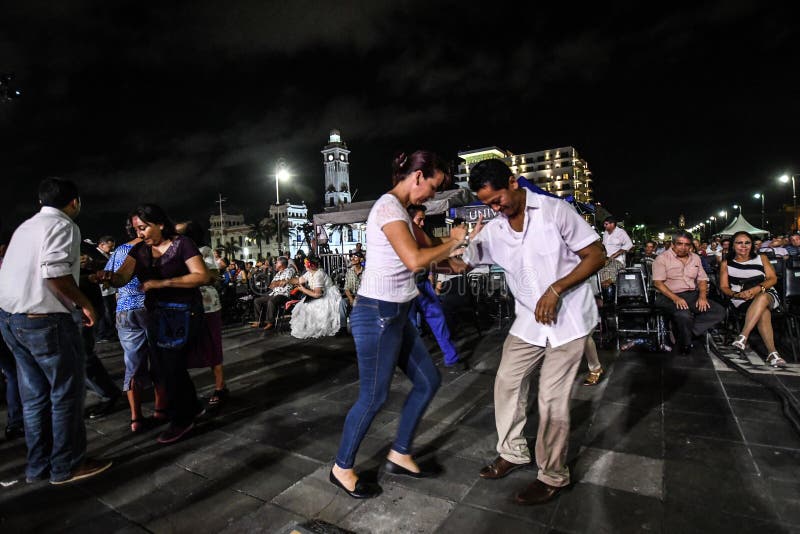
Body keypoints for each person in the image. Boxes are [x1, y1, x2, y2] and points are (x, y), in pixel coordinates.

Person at [462, 159, 605, 506]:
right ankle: (513, 451)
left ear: (513, 182)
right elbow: (460, 263)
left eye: (497, 199)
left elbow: (596, 254)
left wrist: (555, 289)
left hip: (569, 320)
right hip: (528, 320)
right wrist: (431, 250)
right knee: (507, 382)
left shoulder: (555, 211)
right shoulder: (494, 230)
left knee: (551, 399)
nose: (495, 208)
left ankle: (552, 475)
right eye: (487, 203)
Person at [330, 150, 468, 499]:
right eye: (433, 188)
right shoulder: (388, 209)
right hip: (377, 314)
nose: (432, 196)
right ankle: (341, 467)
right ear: (418, 177)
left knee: (428, 380)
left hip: (397, 314)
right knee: (373, 398)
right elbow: (415, 258)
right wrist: (454, 242)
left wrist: (462, 250)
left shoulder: (404, 214)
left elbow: (432, 249)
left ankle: (400, 452)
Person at [0, 177, 112, 484]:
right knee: (66, 393)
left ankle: (38, 466)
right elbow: (54, 272)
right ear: (75, 202)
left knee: (34, 397)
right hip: (43, 320)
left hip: (11, 319)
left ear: (40, 203)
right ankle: (67, 465)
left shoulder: (25, 227)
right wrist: (84, 303)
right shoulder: (64, 225)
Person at [97, 204, 210, 444]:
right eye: (136, 229)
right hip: (157, 315)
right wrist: (108, 277)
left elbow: (202, 275)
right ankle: (192, 406)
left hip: (184, 313)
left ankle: (181, 420)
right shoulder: (139, 250)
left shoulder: (182, 244)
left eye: (144, 227)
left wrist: (163, 284)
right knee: (165, 365)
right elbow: (122, 278)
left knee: (170, 365)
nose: (139, 233)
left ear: (159, 223)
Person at [103, 224, 167, 432]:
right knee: (159, 359)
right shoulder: (153, 247)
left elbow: (109, 282)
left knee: (132, 364)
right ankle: (160, 410)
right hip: (150, 306)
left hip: (125, 310)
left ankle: (136, 418)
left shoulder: (120, 250)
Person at [177, 221, 229, 409]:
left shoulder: (203, 250)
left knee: (212, 344)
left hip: (207, 305)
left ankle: (220, 386)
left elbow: (212, 274)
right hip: (187, 304)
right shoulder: (177, 250)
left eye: (180, 233)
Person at [406, 204, 463, 367]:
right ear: (410, 219)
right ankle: (412, 360)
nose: (423, 223)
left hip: (423, 284)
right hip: (407, 287)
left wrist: (431, 276)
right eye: (420, 219)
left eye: (424, 219)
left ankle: (451, 357)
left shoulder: (424, 236)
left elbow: (433, 255)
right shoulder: (404, 238)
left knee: (438, 319)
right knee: (410, 326)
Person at [719, 231, 786, 368]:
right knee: (763, 312)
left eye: (747, 243)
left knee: (761, 298)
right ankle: (772, 353)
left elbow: (773, 279)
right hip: (741, 298)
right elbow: (724, 287)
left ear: (752, 245)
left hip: (766, 293)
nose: (743, 246)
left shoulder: (761, 258)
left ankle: (743, 335)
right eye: (739, 243)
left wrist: (757, 289)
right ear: (733, 246)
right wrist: (737, 295)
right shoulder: (726, 263)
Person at [652, 231, 725, 354]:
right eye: (680, 244)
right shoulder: (662, 258)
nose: (683, 248)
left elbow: (702, 279)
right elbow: (658, 283)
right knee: (684, 315)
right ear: (673, 244)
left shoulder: (695, 258)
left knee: (719, 311)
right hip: (668, 295)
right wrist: (676, 298)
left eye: (687, 245)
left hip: (691, 294)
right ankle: (685, 344)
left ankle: (685, 333)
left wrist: (702, 297)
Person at [289, 255, 342, 338]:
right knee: (303, 306)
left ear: (311, 265)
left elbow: (318, 294)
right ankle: (306, 327)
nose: (304, 265)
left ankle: (316, 328)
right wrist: (286, 281)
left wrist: (303, 289)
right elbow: (299, 280)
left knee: (312, 307)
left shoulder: (319, 274)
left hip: (326, 295)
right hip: (316, 293)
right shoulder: (310, 273)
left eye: (305, 263)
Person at [249, 256, 295, 330]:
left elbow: (283, 283)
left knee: (272, 301)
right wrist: (279, 283)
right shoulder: (278, 274)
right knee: (257, 301)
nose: (275, 264)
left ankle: (270, 322)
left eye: (277, 262)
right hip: (274, 294)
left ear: (282, 264)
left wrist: (279, 283)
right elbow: (271, 286)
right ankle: (259, 321)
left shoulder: (289, 271)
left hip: (283, 295)